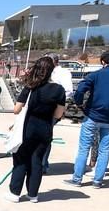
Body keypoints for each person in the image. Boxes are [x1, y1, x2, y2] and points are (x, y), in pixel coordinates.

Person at [64, 50, 109, 188]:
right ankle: (97, 181)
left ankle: (77, 179)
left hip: (92, 116)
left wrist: (79, 103)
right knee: (105, 149)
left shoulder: (97, 74)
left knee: (84, 148)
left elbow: (80, 90)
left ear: (103, 62)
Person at [5, 57, 66, 203]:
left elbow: (16, 109)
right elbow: (58, 114)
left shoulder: (30, 87)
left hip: (27, 129)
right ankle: (33, 194)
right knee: (37, 161)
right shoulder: (59, 90)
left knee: (21, 160)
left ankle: (14, 193)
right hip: (45, 129)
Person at [42, 53, 73, 173]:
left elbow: (68, 91)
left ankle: (42, 165)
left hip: (53, 109)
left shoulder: (63, 73)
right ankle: (40, 162)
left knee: (45, 136)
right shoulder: (44, 73)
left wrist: (53, 96)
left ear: (55, 62)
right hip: (40, 107)